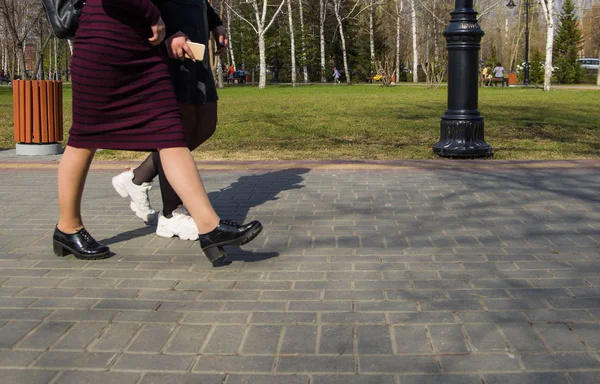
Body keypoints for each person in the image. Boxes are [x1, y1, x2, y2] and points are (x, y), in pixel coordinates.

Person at [52, 0, 262, 267]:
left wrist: (177, 25)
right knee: (84, 137)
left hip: (145, 51)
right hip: (105, 43)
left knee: (170, 133)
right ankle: (68, 228)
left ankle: (210, 227)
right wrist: (152, 15)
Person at [112, 0, 227, 241]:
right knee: (176, 135)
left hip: (196, 47)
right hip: (171, 48)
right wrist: (170, 30)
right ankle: (170, 215)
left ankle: (138, 178)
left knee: (206, 124)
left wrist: (216, 23)